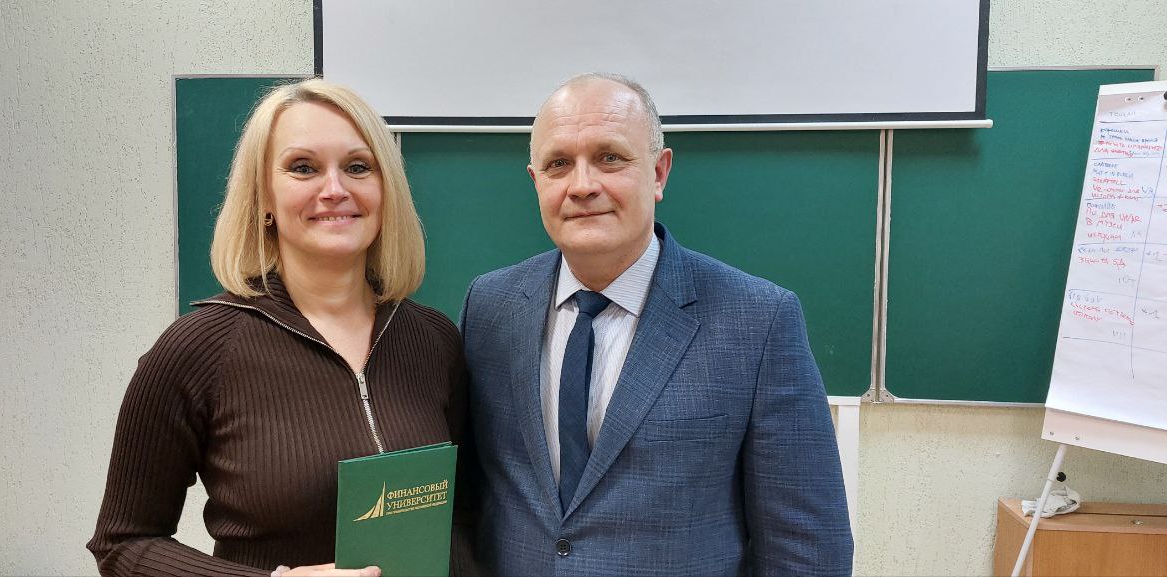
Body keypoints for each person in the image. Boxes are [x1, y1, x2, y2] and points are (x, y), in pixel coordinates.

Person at [459, 73, 854, 576]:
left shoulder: (758, 320)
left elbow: (808, 547)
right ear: (537, 182)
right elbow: (469, 499)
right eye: (559, 164)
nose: (582, 186)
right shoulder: (489, 307)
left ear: (659, 173)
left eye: (610, 158)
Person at [88, 79, 467, 577]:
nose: (335, 190)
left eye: (358, 167)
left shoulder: (435, 340)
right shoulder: (198, 349)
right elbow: (122, 544)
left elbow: (464, 523)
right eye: (303, 168)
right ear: (263, 196)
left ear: (385, 190)